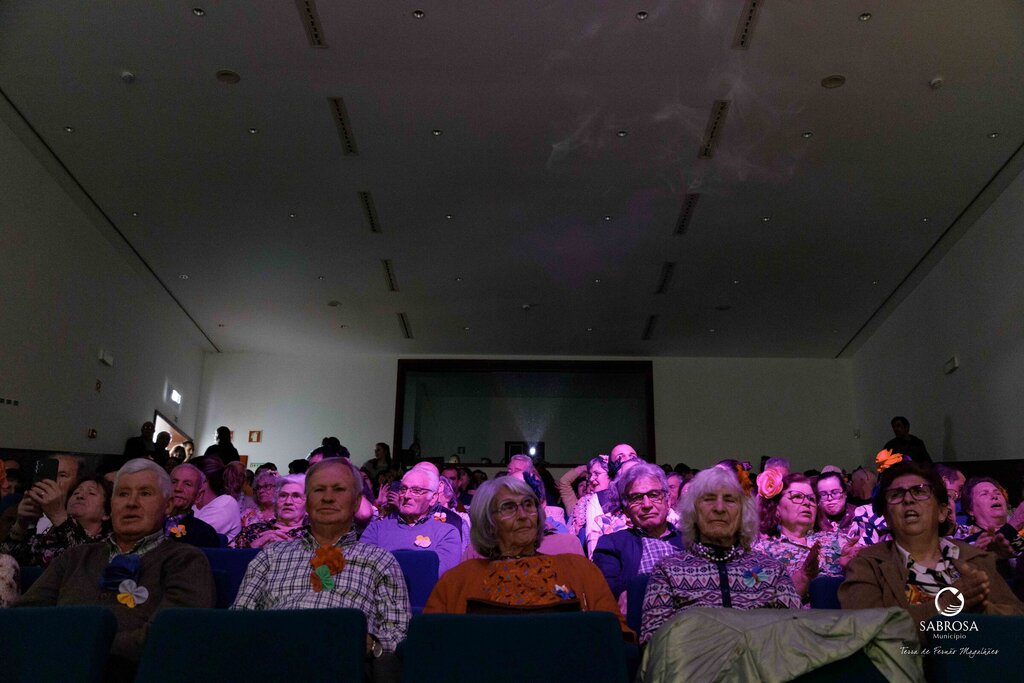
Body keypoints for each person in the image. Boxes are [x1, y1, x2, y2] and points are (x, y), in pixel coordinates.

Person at [15, 459, 215, 675]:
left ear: (167, 505)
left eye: (145, 493)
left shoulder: (185, 560)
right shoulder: (76, 556)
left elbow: (171, 635)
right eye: (122, 494)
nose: (131, 503)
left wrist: (77, 647)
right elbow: (24, 617)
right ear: (111, 506)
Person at [231, 458, 410, 670]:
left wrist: (372, 645)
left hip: (343, 662)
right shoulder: (271, 556)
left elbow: (400, 632)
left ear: (356, 502)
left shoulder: (379, 560)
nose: (327, 497)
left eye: (339, 489)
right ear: (308, 502)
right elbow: (238, 619)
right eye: (318, 490)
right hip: (274, 659)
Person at [423, 477, 634, 640]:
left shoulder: (580, 569)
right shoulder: (457, 581)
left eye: (528, 504)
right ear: (487, 521)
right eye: (508, 507)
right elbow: (429, 646)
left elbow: (618, 638)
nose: (523, 515)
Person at [839, 461, 1023, 630]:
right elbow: (867, 630)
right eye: (896, 495)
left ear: (942, 511)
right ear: (887, 517)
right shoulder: (868, 564)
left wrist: (982, 612)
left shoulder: (974, 558)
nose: (908, 499)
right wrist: (946, 605)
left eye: (920, 491)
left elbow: (1017, 618)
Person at [641, 466, 800, 642]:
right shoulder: (668, 571)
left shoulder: (772, 571)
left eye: (730, 500)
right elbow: (654, 641)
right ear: (693, 511)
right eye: (708, 499)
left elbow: (797, 635)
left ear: (743, 512)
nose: (719, 508)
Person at [753, 472, 858, 603]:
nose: (807, 503)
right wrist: (803, 577)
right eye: (797, 496)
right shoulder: (761, 551)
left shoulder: (839, 540)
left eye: (811, 499)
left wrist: (852, 567)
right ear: (776, 507)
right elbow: (757, 602)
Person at [593, 463, 684, 605]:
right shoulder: (612, 544)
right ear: (626, 509)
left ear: (668, 501)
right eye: (636, 498)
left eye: (654, 495)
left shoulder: (690, 540)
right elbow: (607, 589)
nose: (647, 505)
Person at [359, 468, 461, 577]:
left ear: (432, 498)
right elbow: (362, 571)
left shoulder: (446, 533)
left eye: (416, 490)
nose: (406, 495)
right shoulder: (376, 529)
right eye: (403, 489)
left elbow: (440, 576)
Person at [1, 475, 112, 566]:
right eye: (76, 493)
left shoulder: (109, 543)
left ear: (106, 513)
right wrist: (21, 524)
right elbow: (6, 558)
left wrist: (58, 515)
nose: (80, 496)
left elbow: (87, 564)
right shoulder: (48, 537)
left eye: (91, 493)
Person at [955, 476, 1023, 558]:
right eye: (984, 494)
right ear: (970, 510)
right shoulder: (968, 543)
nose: (994, 496)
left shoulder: (1020, 533)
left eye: (998, 493)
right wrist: (1013, 525)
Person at [232, 475, 308, 549]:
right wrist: (252, 549)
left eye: (296, 496)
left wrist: (288, 546)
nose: (288, 502)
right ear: (276, 500)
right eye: (283, 495)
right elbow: (228, 555)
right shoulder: (252, 530)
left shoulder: (311, 534)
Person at [164, 464, 221, 548]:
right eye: (174, 482)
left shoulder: (205, 533)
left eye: (187, 484)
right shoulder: (149, 522)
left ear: (198, 496)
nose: (178, 488)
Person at [192, 457, 241, 541]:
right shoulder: (196, 504)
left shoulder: (225, 503)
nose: (178, 488)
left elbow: (191, 538)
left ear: (204, 480)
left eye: (187, 482)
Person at [568, 457, 610, 534]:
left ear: (611, 475)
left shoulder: (621, 499)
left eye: (597, 474)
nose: (591, 479)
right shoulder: (584, 501)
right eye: (590, 475)